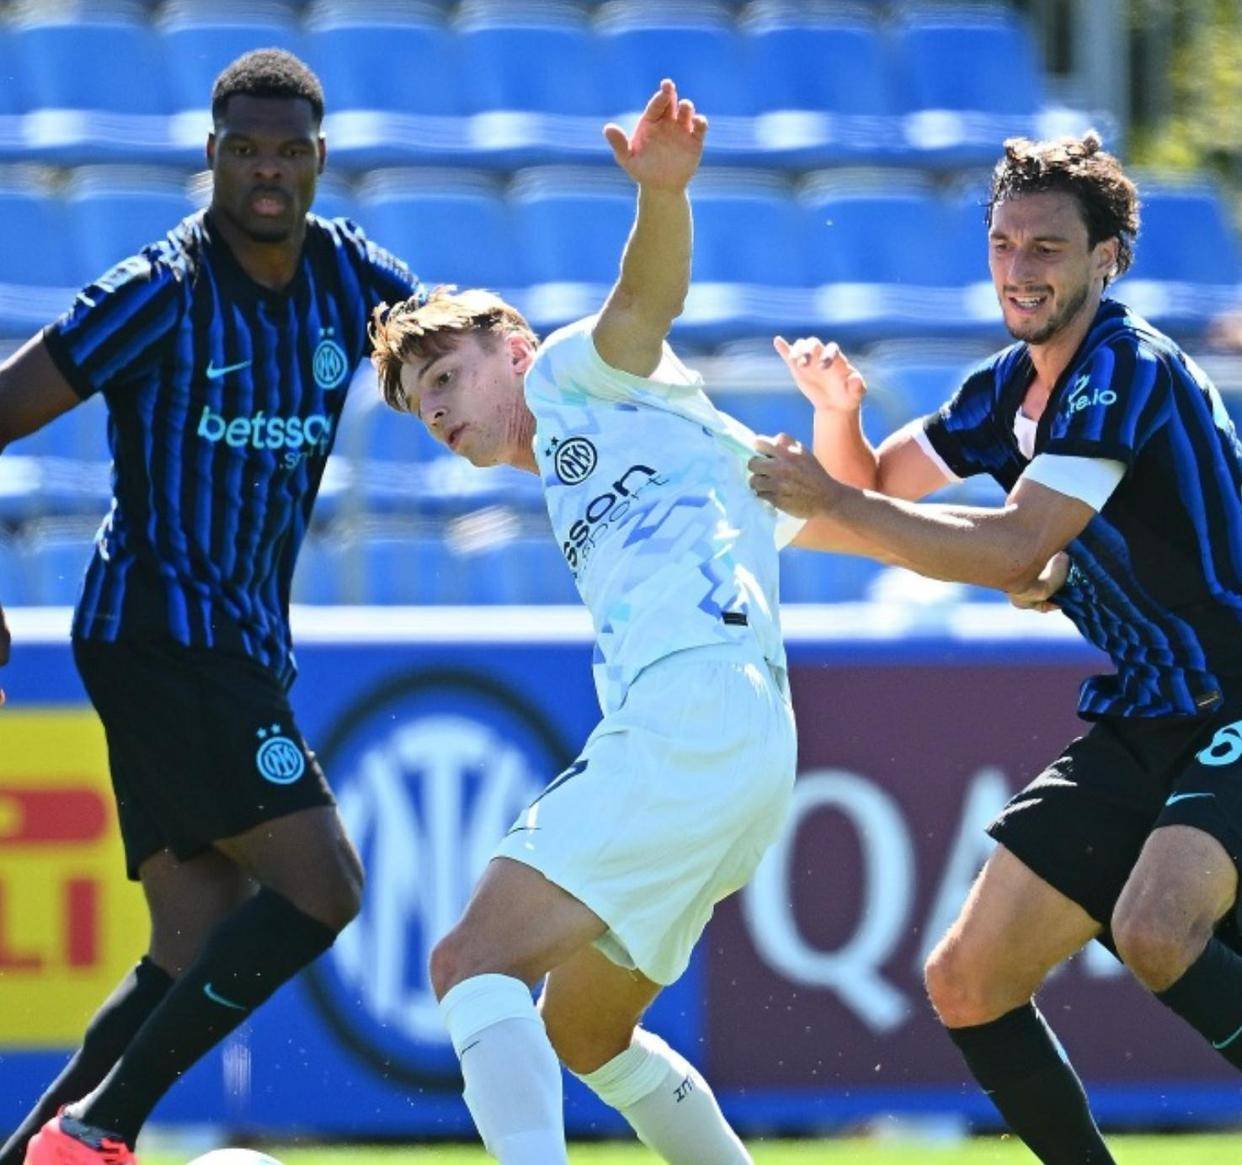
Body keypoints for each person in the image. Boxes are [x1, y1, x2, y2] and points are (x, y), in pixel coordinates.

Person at [749, 130, 1242, 1164]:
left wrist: (833, 500)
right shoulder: (1004, 389)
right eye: (1003, 244)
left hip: (1235, 697)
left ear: (1108, 259)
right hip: (1152, 709)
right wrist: (835, 423)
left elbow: (1012, 543)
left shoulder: (1123, 366)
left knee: (1158, 931)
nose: (1019, 269)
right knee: (968, 981)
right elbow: (874, 495)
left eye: (1047, 247)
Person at [370, 79, 808, 1165]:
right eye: (424, 407)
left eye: (447, 376)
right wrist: (847, 442)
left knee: (468, 963)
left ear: (514, 347)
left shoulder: (576, 376)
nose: (439, 410)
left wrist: (663, 193)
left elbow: (642, 301)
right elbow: (818, 510)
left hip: (692, 712)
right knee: (584, 1030)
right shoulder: (652, 445)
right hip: (748, 740)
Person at [0, 49, 424, 1165]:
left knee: (189, 945)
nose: (267, 171)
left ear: (321, 160)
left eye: (289, 151)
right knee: (325, 885)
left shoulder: (352, 278)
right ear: (211, 156)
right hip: (159, 635)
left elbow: (464, 349)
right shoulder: (161, 289)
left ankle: (37, 1155)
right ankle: (100, 1130)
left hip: (232, 644)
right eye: (245, 150)